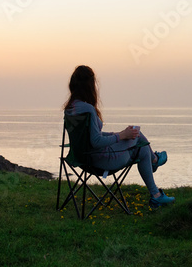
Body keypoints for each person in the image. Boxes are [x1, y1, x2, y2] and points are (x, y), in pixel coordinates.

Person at [63, 65, 173, 207]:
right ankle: (154, 162)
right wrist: (121, 136)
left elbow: (89, 137)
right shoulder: (88, 109)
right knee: (138, 138)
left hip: (82, 159)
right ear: (89, 85)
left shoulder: (70, 109)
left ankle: (156, 190)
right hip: (102, 161)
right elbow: (96, 141)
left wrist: (117, 134)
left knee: (140, 146)